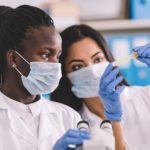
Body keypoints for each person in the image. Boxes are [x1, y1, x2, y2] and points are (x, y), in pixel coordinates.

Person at [0, 5, 90, 150]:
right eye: (45, 54)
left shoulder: (68, 117)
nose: (55, 64)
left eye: (58, 56)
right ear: (14, 58)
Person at [51, 24, 127, 150]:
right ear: (66, 77)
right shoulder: (68, 123)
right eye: (77, 67)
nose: (91, 71)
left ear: (109, 59)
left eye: (97, 60)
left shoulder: (145, 98)